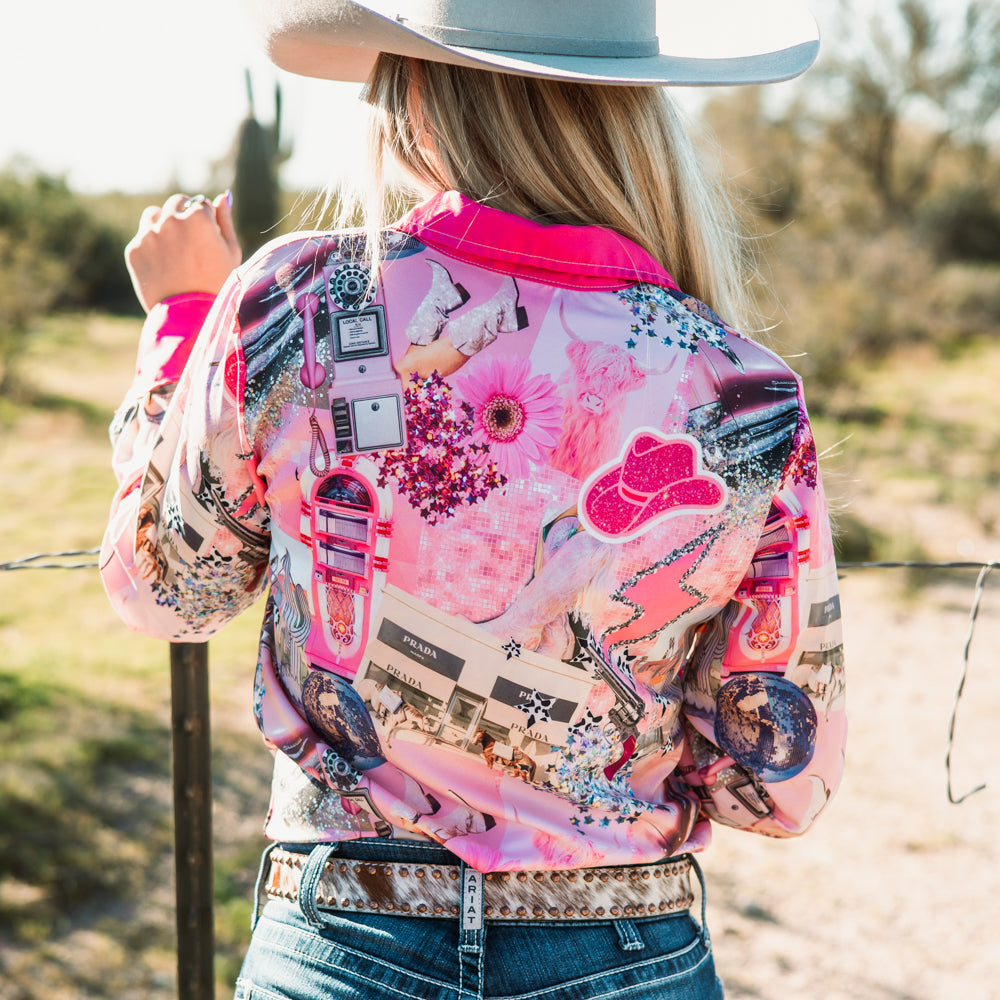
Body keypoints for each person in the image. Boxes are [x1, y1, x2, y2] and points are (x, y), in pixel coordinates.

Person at [100, 2, 847, 997]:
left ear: (409, 91)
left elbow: (168, 589)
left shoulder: (297, 301)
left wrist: (183, 328)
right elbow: (781, 782)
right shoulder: (739, 390)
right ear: (632, 109)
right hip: (623, 945)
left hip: (342, 931)